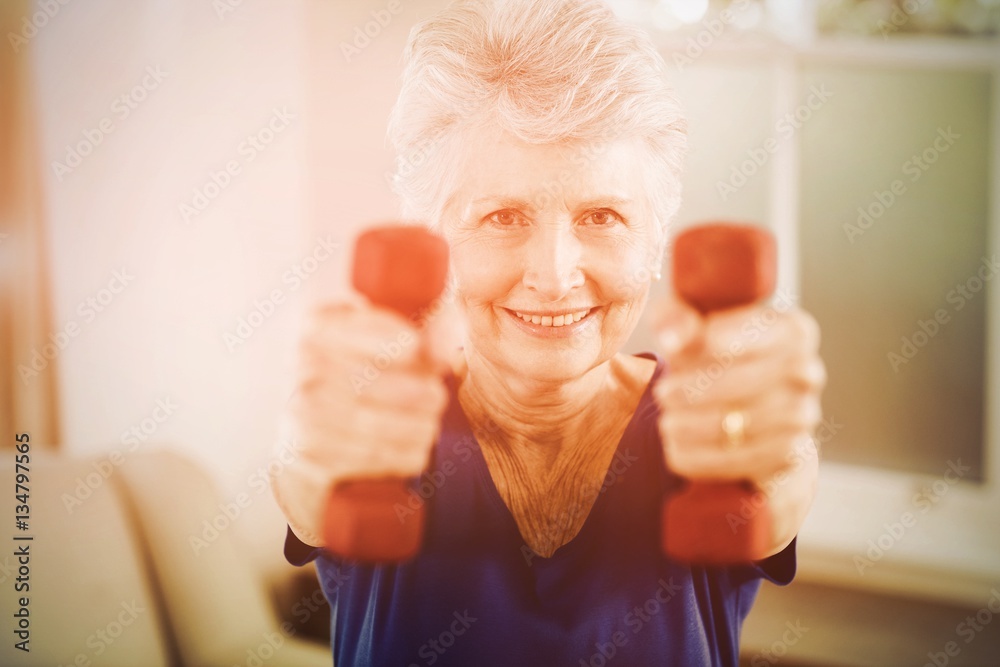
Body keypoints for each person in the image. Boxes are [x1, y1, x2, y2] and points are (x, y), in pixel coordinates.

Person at [272, 0, 825, 664]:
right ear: (434, 238)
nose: (556, 276)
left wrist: (778, 440)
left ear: (655, 242)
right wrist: (309, 437)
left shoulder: (708, 421)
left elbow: (779, 476)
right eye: (503, 216)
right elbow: (305, 470)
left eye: (600, 215)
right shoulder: (378, 425)